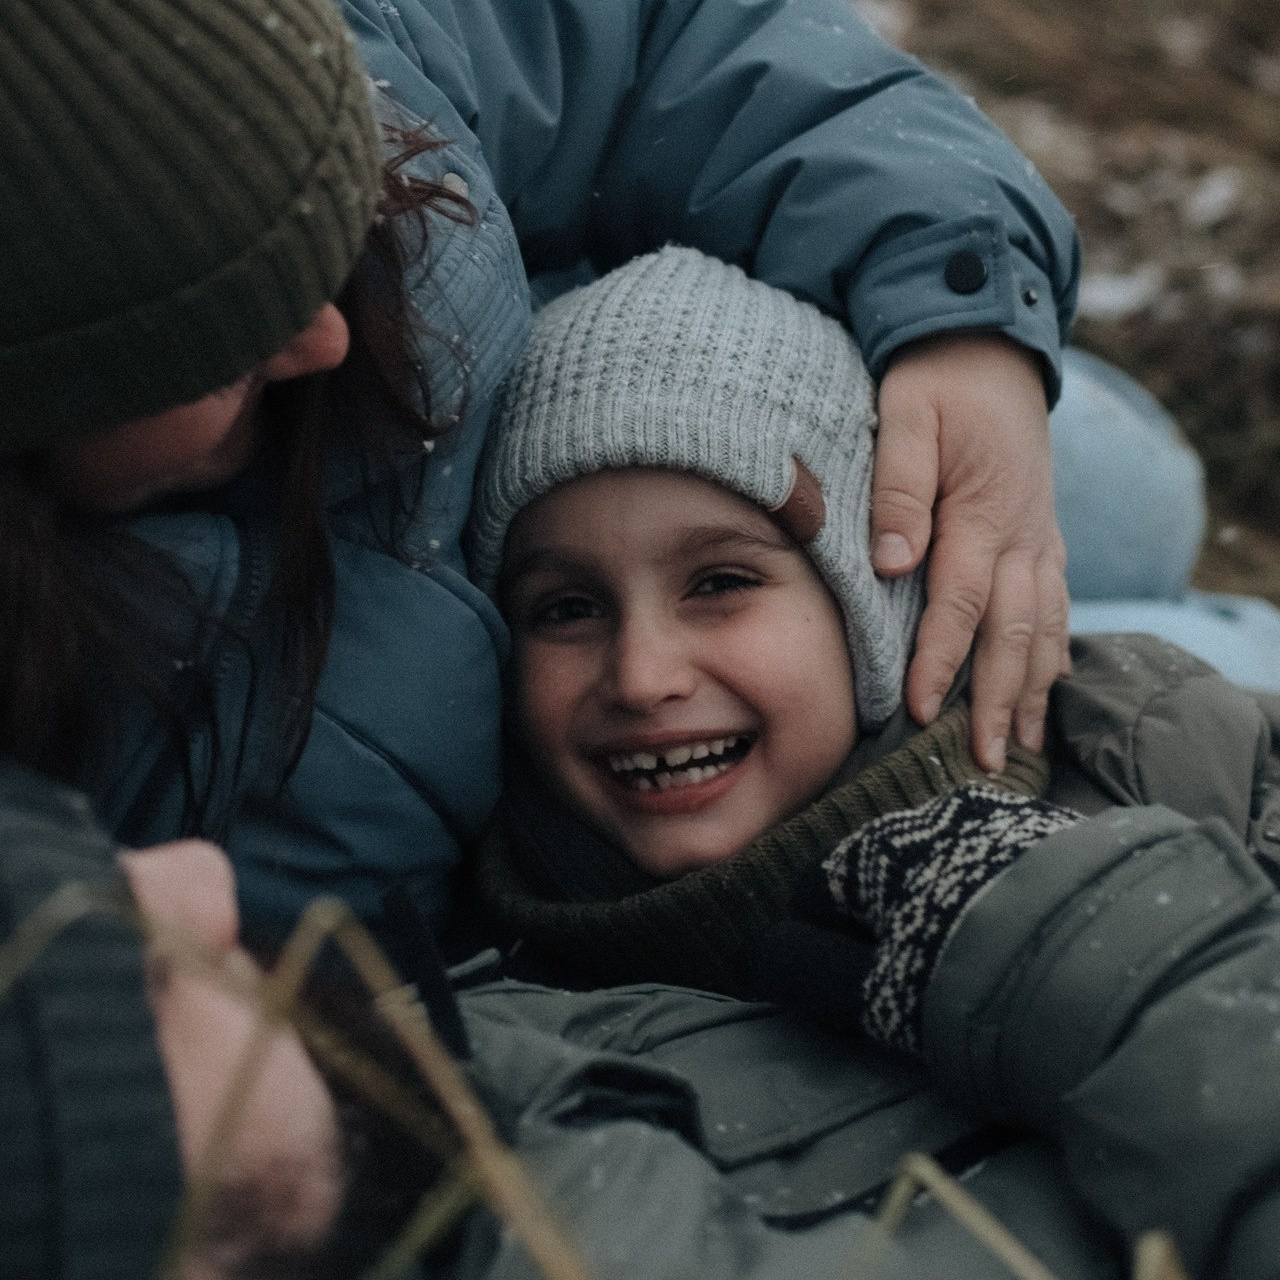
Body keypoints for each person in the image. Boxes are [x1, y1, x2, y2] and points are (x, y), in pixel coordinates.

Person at [1, 0, 1100, 966]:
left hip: (669, 387)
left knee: (1122, 488)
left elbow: (675, 34)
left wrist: (965, 311)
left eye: (315, 258)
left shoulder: (343, 56)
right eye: (222, 341)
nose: (326, 340)